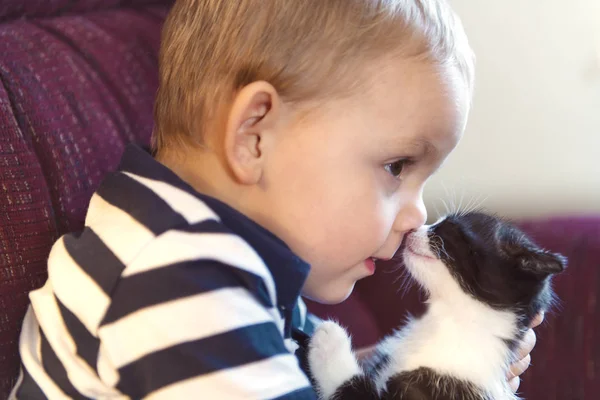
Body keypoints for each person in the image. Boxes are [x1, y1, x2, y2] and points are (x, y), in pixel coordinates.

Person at [11, 0, 540, 398]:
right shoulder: (180, 285)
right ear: (254, 136)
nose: (417, 215)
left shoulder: (198, 251)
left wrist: (427, 373)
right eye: (396, 166)